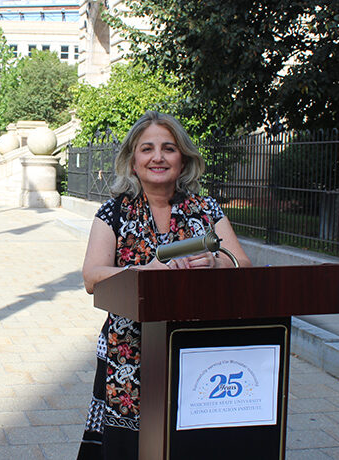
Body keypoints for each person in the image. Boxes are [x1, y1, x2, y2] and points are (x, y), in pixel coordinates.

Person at [77, 111, 252, 460]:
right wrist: (146, 270)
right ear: (133, 160)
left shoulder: (207, 209)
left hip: (198, 348)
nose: (158, 157)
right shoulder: (113, 213)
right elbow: (92, 277)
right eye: (147, 149)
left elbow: (243, 266)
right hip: (128, 352)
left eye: (168, 148)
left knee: (190, 442)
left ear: (183, 158)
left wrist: (216, 262)